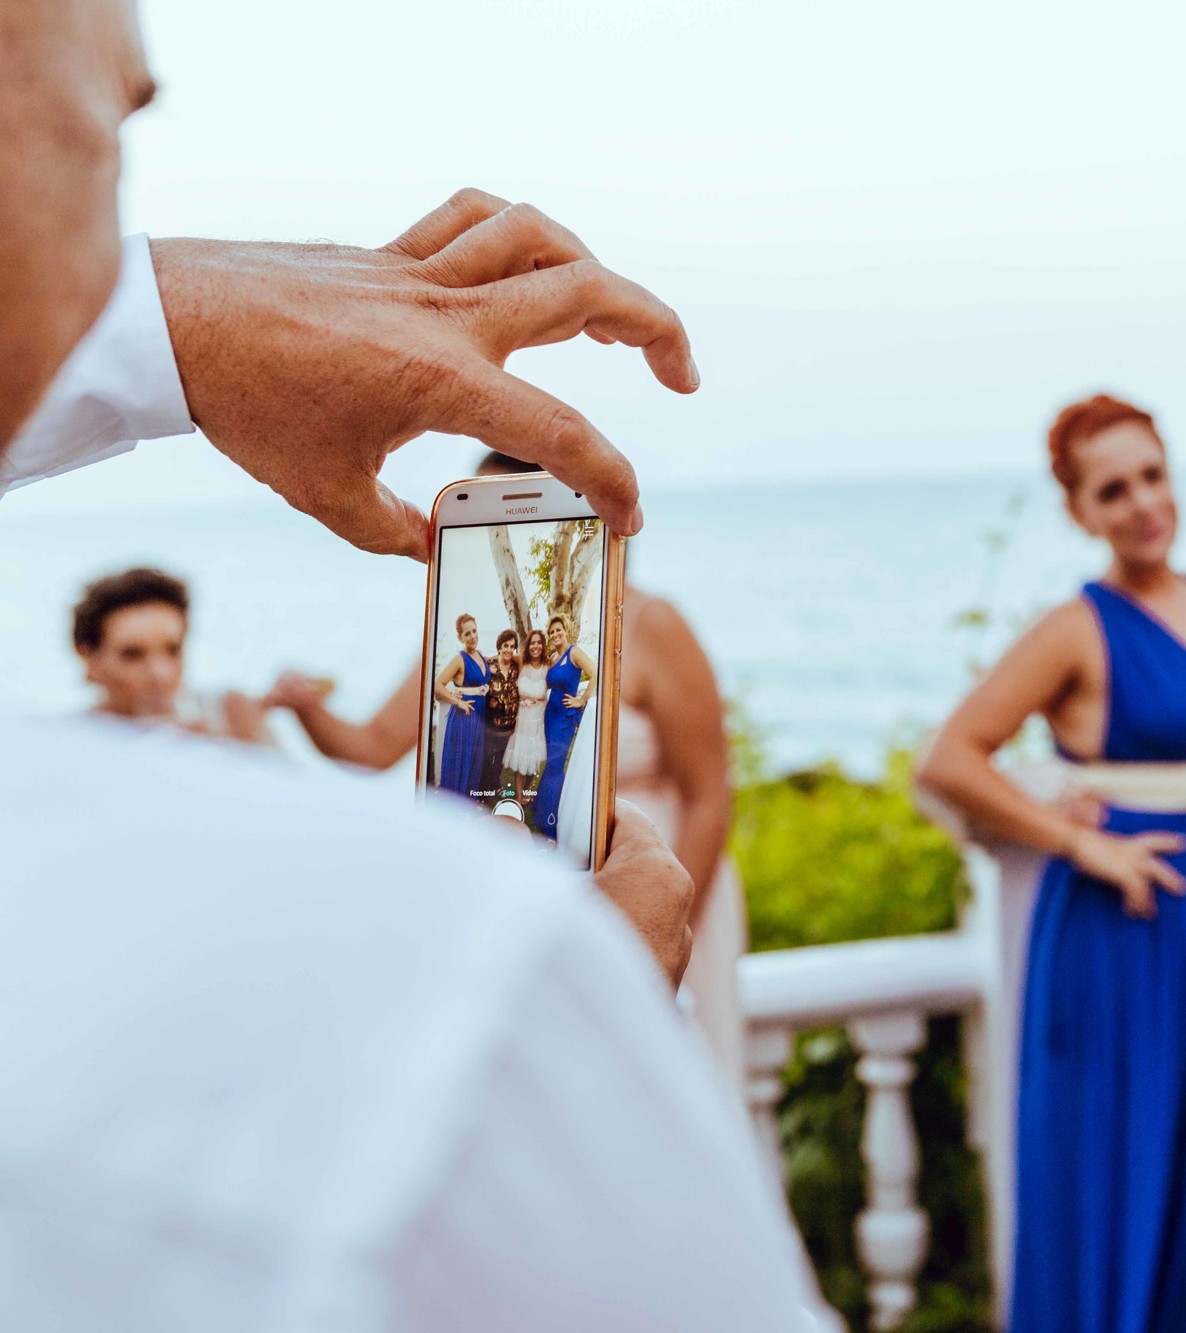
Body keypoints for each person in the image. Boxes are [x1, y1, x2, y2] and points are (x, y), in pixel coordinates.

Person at [0, 1, 820, 1325]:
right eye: (110, 132)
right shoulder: (455, 987)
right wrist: (575, 1002)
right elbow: (390, 749)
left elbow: (704, 784)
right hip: (593, 941)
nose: (139, 84)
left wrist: (158, 329)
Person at [919, 393, 1186, 1333]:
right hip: (1128, 935)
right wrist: (1081, 839)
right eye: (1112, 490)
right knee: (1123, 1174)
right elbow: (950, 758)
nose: (1142, 503)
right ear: (1081, 512)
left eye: (1152, 476)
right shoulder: (1076, 627)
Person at [265, 454, 744, 1075]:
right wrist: (306, 709)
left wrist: (669, 925)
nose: (512, 544)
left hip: (658, 880)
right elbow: (374, 746)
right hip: (530, 876)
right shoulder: (474, 640)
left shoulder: (654, 624)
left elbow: (709, 795)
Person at [72, 564, 273, 745]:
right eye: (132, 655)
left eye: (173, 650)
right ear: (90, 660)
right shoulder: (71, 743)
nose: (160, 673)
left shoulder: (229, 714)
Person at [535, 613, 596, 840]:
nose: (555, 634)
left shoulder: (574, 652)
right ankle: (541, 810)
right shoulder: (553, 656)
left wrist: (582, 700)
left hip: (565, 718)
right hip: (551, 714)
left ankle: (551, 821)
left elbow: (597, 672)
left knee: (555, 765)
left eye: (558, 630)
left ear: (566, 630)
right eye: (551, 632)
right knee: (549, 761)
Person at [434, 613, 491, 798]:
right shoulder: (459, 659)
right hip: (464, 717)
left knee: (474, 760)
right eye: (467, 634)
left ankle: (467, 804)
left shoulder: (480, 655)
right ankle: (453, 808)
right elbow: (436, 685)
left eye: (474, 631)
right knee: (461, 761)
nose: (473, 636)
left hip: (479, 715)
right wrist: (457, 701)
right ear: (460, 637)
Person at [505, 627, 552, 798]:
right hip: (522, 721)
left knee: (534, 758)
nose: (535, 646)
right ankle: (519, 796)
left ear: (543, 645)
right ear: (528, 645)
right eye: (532, 643)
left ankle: (527, 790)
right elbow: (504, 656)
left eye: (539, 642)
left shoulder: (548, 665)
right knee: (521, 758)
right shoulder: (521, 662)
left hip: (538, 720)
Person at [483, 628, 522, 803]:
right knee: (486, 758)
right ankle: (483, 790)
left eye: (512, 646)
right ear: (499, 646)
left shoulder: (516, 667)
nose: (508, 650)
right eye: (505, 645)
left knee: (499, 760)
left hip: (508, 727)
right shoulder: (489, 664)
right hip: (489, 725)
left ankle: (495, 785)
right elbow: (473, 677)